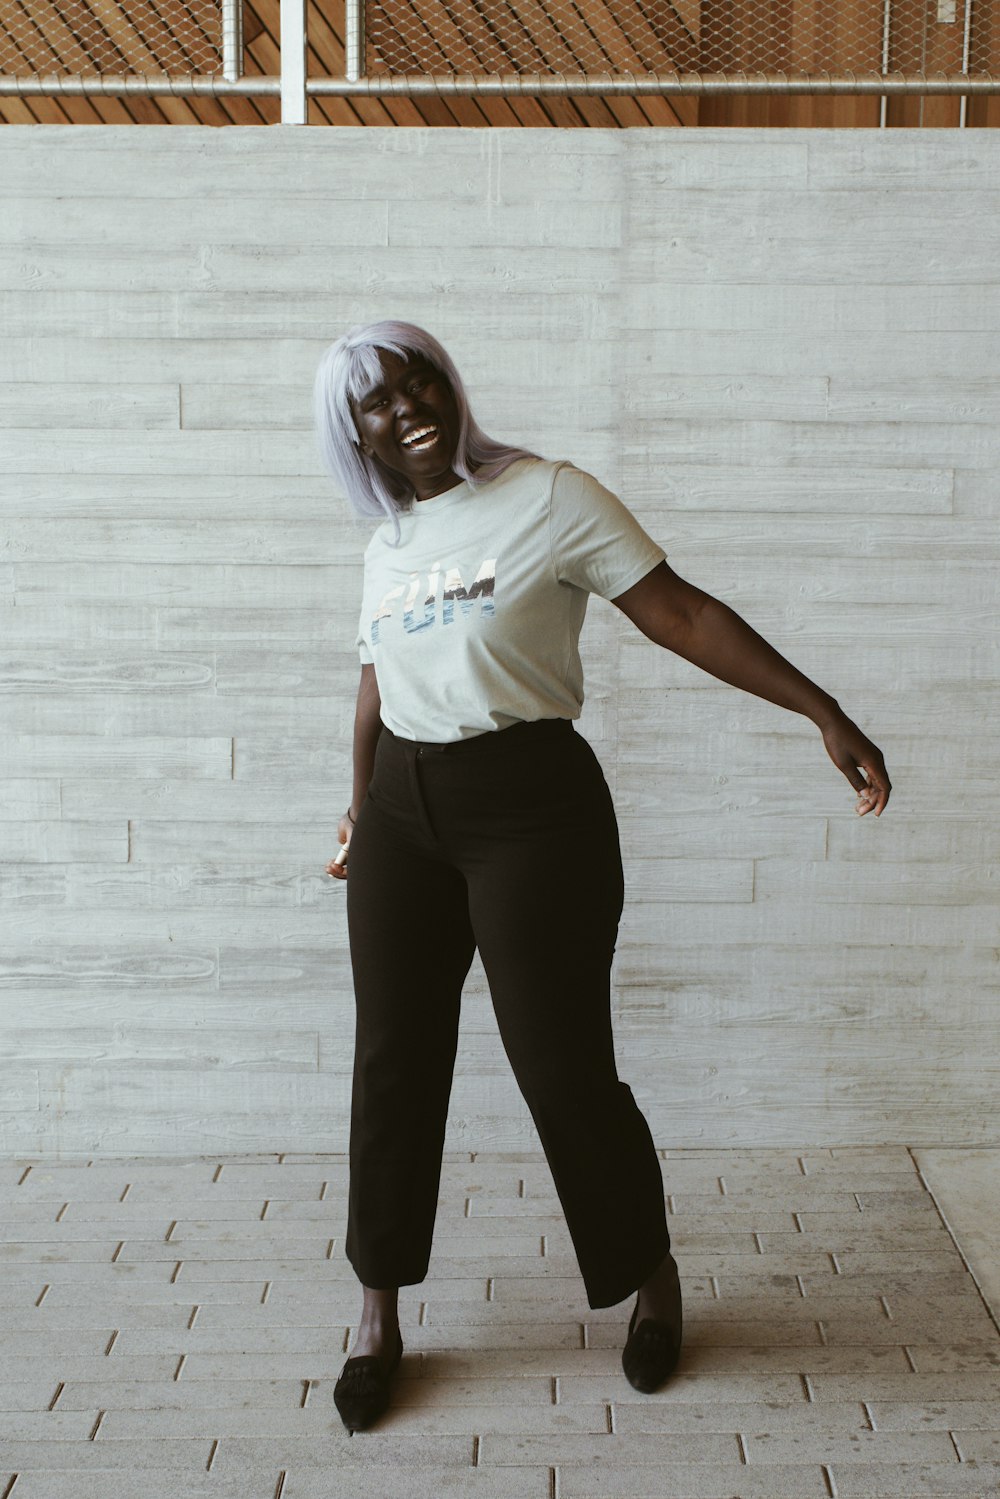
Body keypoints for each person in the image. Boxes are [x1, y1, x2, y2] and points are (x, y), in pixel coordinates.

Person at [312, 319, 891, 1432]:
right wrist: (356, 800)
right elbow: (378, 683)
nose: (409, 404)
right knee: (391, 1064)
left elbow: (678, 611)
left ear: (448, 384)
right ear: (357, 433)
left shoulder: (549, 494)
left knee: (564, 1065)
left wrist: (820, 709)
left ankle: (648, 1275)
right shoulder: (386, 541)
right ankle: (377, 1314)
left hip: (532, 806)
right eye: (378, 399)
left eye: (419, 376)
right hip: (402, 817)